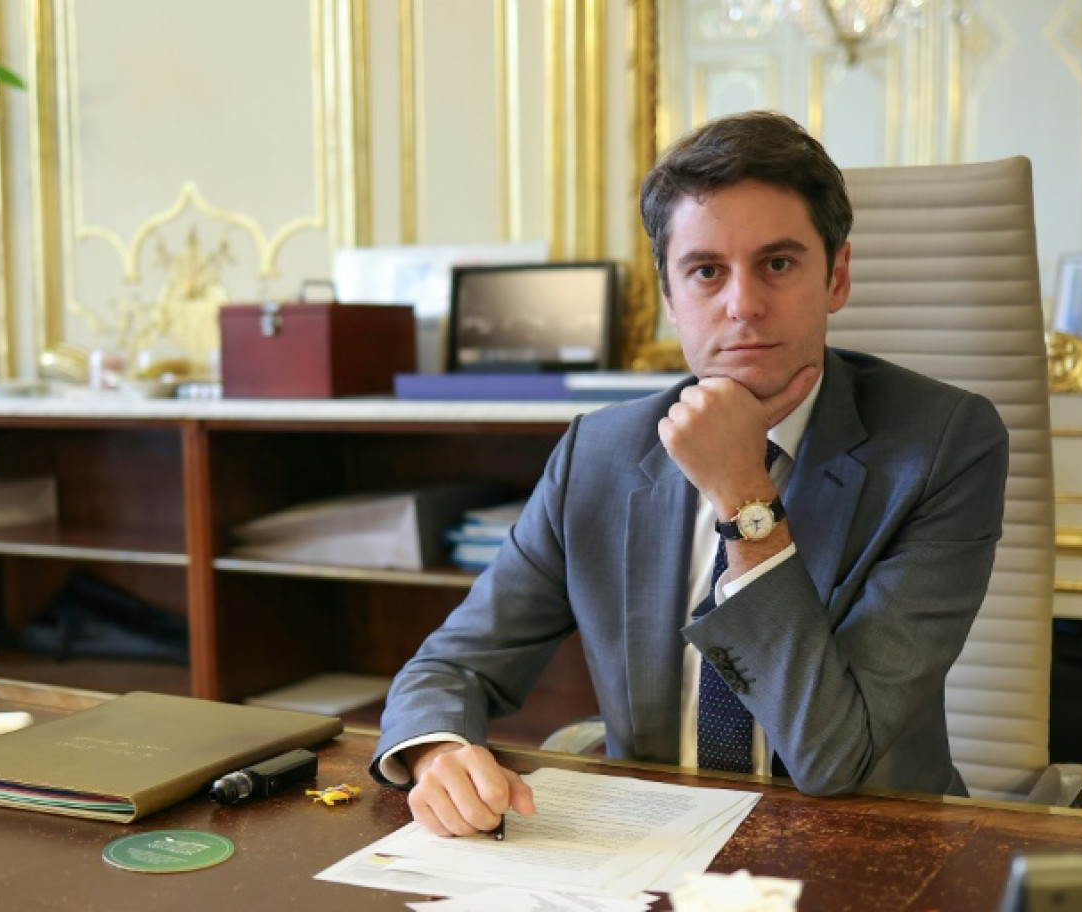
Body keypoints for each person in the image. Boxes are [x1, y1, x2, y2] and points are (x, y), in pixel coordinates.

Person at [369, 110, 1009, 838]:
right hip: (650, 847)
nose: (743, 306)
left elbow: (835, 759)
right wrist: (439, 752)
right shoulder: (598, 454)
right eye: (706, 272)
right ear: (671, 300)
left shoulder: (943, 446)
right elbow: (450, 666)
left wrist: (744, 497)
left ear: (836, 276)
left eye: (778, 263)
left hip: (864, 850)